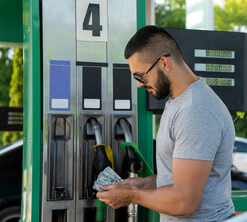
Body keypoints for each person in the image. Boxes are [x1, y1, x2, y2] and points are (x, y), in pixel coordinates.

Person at [97, 25, 235, 221]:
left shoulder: (195, 110)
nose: (139, 84)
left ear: (163, 63)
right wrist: (137, 185)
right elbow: (175, 179)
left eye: (140, 75)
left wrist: (131, 195)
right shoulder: (178, 103)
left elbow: (184, 201)